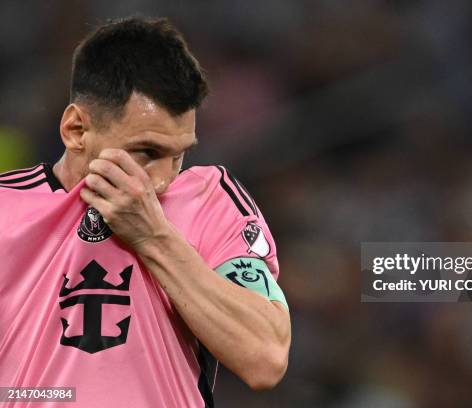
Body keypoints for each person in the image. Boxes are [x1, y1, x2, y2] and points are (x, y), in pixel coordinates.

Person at [0, 16, 290, 408]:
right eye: (147, 153)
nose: (162, 182)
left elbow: (265, 358)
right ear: (76, 131)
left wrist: (154, 236)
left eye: (179, 155)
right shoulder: (7, 209)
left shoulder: (209, 202)